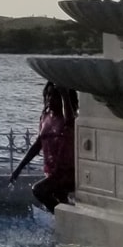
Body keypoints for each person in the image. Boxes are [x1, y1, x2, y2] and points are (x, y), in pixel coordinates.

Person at [31, 82, 77, 214]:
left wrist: (65, 95)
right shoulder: (45, 118)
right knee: (61, 201)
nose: (50, 99)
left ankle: (66, 220)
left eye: (55, 96)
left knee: (38, 190)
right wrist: (18, 170)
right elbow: (38, 144)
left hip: (67, 173)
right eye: (48, 95)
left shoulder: (67, 118)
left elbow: (70, 121)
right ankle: (67, 223)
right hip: (52, 172)